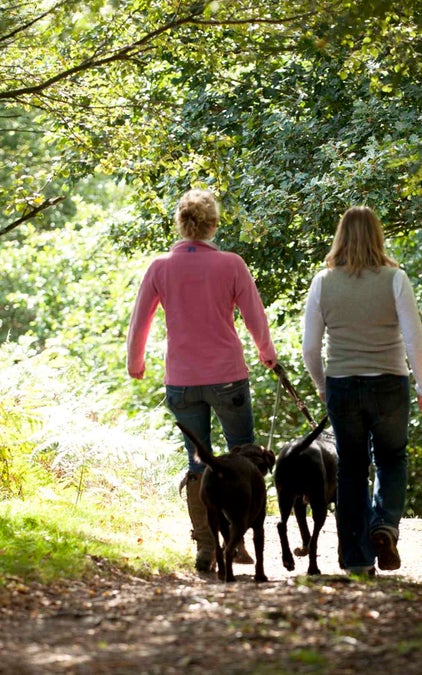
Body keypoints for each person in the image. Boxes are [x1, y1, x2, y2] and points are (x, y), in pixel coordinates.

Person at [127, 188, 277, 573]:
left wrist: (135, 360)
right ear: (213, 225)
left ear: (181, 223)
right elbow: (254, 315)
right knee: (243, 454)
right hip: (228, 376)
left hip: (182, 380)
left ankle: (205, 546)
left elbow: (140, 318)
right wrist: (266, 352)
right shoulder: (232, 264)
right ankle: (238, 541)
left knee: (198, 462)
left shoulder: (160, 267)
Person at [301, 205, 422, 575]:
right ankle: (384, 526)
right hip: (390, 382)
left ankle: (357, 559)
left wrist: (323, 386)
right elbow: (414, 338)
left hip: (342, 384)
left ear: (340, 237)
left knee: (351, 470)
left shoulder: (323, 282)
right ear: (378, 236)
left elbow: (310, 348)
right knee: (392, 459)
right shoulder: (395, 278)